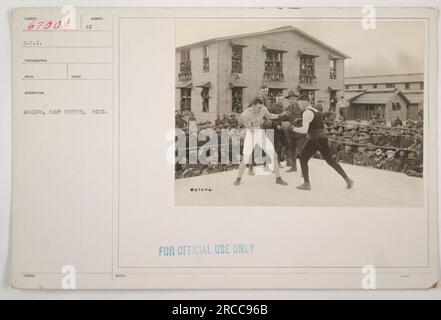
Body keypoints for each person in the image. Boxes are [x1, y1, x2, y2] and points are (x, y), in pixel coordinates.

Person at [292, 94, 354, 190]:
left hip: (314, 139)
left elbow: (304, 131)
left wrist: (292, 128)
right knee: (330, 161)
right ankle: (348, 179)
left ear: (305, 101)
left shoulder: (306, 113)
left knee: (302, 159)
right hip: (323, 139)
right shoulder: (316, 111)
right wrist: (301, 120)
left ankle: (306, 183)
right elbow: (315, 122)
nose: (298, 105)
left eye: (299, 103)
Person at [234, 97, 289, 186]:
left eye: (261, 107)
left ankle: (278, 178)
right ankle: (238, 178)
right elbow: (251, 128)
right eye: (258, 107)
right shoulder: (245, 114)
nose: (260, 109)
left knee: (273, 154)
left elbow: (269, 116)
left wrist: (280, 115)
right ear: (253, 106)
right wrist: (263, 121)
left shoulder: (263, 109)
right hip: (251, 134)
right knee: (246, 158)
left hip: (260, 132)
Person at [283, 90, 305, 172]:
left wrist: (299, 119)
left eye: (292, 99)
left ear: (296, 99)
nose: (291, 100)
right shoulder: (288, 108)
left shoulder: (301, 107)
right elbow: (286, 118)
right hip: (291, 132)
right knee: (292, 150)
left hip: (299, 132)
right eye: (289, 99)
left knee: (302, 150)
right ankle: (294, 167)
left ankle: (304, 170)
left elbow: (306, 118)